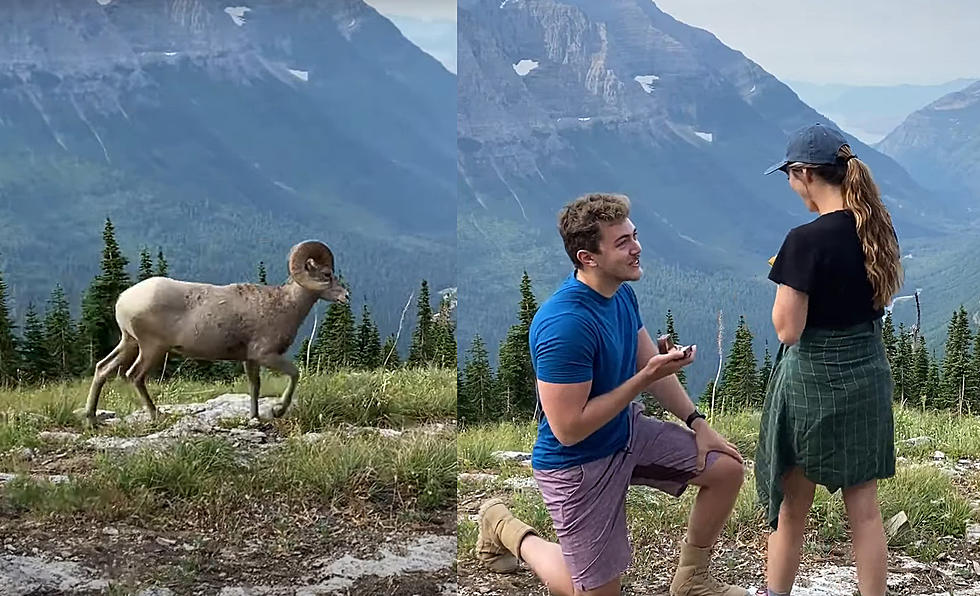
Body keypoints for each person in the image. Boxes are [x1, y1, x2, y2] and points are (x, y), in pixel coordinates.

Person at [475, 193, 749, 596]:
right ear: (589, 257)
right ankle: (506, 528)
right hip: (577, 463)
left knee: (726, 469)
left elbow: (648, 366)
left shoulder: (619, 293)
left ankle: (692, 579)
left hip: (625, 434)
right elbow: (568, 429)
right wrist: (643, 379)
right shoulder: (564, 324)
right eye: (622, 243)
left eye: (633, 235)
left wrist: (697, 422)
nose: (636, 247)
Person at [757, 124, 903, 596]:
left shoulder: (804, 240)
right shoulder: (875, 226)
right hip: (866, 374)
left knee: (791, 506)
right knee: (865, 509)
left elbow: (788, 329)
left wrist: (784, 277)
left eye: (789, 175)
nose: (790, 184)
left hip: (813, 383)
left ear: (804, 174)